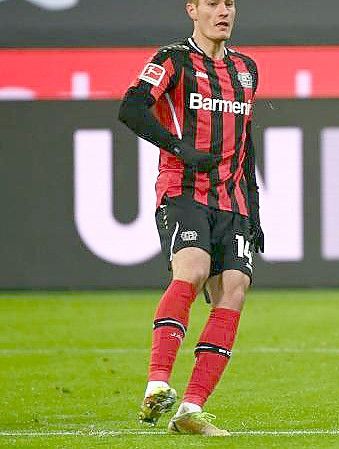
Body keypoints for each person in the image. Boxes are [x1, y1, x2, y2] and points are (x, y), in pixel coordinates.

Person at [118, 0, 263, 436]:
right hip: (183, 191)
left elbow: (246, 142)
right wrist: (180, 148)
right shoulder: (172, 60)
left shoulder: (246, 69)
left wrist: (253, 210)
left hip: (233, 199)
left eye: (230, 3)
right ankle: (157, 382)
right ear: (192, 9)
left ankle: (190, 411)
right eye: (213, 3)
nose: (224, 11)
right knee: (194, 267)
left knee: (235, 289)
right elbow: (132, 108)